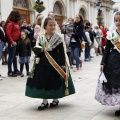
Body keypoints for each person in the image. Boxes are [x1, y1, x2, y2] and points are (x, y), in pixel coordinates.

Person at [25, 17, 75, 110]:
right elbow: (38, 50)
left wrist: (63, 64)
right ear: (45, 26)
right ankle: (44, 102)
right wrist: (37, 54)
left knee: (54, 80)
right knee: (43, 80)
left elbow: (61, 52)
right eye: (50, 25)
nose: (52, 27)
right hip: (43, 62)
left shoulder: (58, 37)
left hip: (55, 61)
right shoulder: (41, 37)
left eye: (54, 25)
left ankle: (55, 99)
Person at [95, 11, 120, 116]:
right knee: (117, 84)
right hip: (114, 62)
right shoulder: (112, 34)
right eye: (116, 20)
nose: (118, 22)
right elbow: (107, 49)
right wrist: (102, 63)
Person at [5, 10, 21, 77]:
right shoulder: (10, 23)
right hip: (12, 41)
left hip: (16, 41)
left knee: (14, 57)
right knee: (11, 57)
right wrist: (12, 41)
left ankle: (15, 70)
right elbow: (7, 33)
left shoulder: (16, 23)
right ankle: (9, 71)